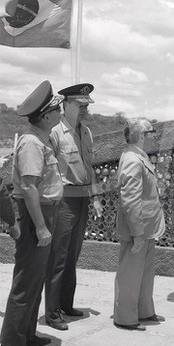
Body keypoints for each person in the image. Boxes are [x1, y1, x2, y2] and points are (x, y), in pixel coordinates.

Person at [0, 80, 64, 346]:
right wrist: (40, 226)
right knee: (26, 281)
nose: (61, 114)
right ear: (47, 115)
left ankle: (26, 335)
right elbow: (28, 187)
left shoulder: (41, 140)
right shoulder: (31, 143)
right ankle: (12, 341)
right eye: (58, 110)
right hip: (36, 214)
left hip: (46, 210)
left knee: (36, 279)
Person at [45, 83, 102, 331]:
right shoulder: (55, 133)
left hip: (83, 199)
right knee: (58, 257)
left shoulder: (86, 132)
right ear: (65, 104)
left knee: (72, 256)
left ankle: (66, 304)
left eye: (86, 106)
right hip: (63, 200)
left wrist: (97, 197)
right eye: (80, 105)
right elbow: (48, 170)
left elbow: (90, 167)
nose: (85, 110)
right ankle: (52, 312)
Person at [113, 118, 165, 331]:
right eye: (151, 133)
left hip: (148, 227)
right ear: (142, 136)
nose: (154, 137)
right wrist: (136, 232)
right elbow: (130, 198)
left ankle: (144, 310)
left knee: (144, 273)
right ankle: (125, 318)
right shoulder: (133, 160)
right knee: (130, 274)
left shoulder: (139, 157)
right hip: (138, 228)